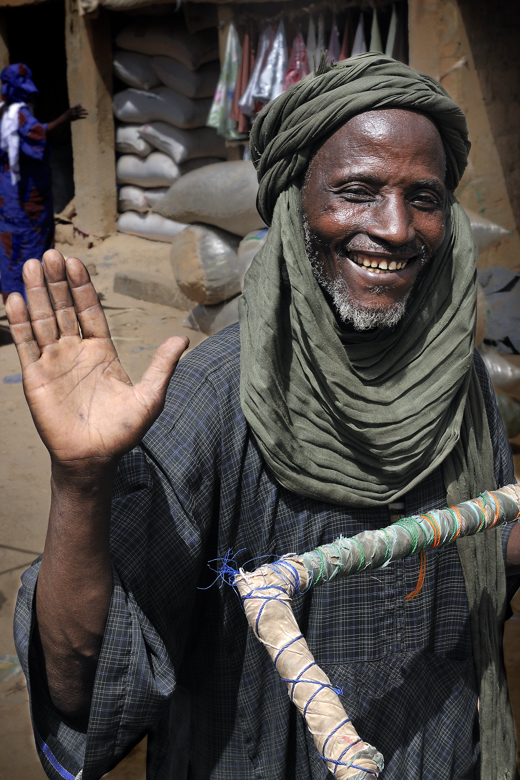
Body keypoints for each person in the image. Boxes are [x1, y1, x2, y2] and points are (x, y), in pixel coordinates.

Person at [8, 54, 520, 780]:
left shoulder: (456, 377)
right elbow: (82, 681)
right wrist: (82, 482)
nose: (397, 227)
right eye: (357, 190)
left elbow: (471, 567)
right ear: (293, 201)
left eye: (425, 197)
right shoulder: (212, 400)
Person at [0, 62, 87, 303]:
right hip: (25, 194)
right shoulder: (18, 114)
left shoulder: (6, 112)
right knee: (27, 245)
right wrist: (66, 117)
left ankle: (16, 296)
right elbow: (38, 132)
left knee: (12, 246)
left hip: (10, 191)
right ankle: (30, 300)